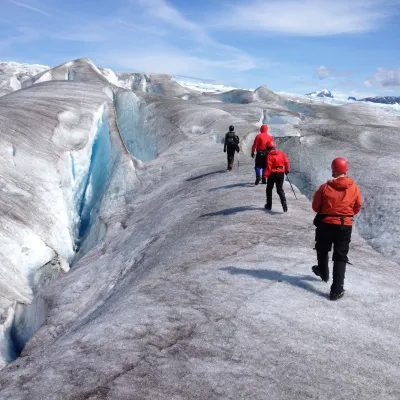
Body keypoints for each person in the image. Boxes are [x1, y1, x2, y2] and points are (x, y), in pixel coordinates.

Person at [311, 157, 362, 301]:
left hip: (326, 223)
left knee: (322, 248)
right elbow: (357, 206)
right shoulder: (354, 188)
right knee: (340, 256)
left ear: (334, 169)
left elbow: (315, 206)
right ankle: (336, 290)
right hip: (344, 225)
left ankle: (323, 272)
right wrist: (345, 214)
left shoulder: (325, 187)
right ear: (345, 170)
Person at [263, 139, 290, 212]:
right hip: (281, 173)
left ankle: (269, 205)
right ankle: (284, 203)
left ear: (268, 148)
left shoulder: (269, 155)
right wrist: (287, 170)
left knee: (269, 189)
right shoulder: (281, 153)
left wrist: (265, 176)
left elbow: (268, 167)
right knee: (279, 189)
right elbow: (286, 162)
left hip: (272, 174)